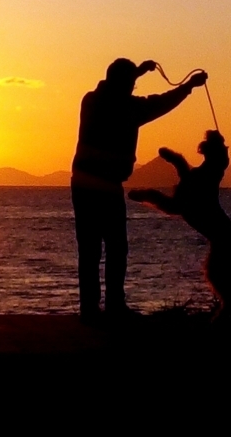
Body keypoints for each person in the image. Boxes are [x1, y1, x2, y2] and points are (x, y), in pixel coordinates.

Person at [70, 58, 208, 320]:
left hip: (85, 184)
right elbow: (162, 102)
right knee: (114, 248)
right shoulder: (129, 107)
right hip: (104, 186)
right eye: (131, 84)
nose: (133, 88)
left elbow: (118, 89)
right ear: (125, 84)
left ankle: (92, 309)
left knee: (91, 250)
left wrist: (138, 73)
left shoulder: (90, 101)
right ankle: (113, 307)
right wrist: (189, 85)